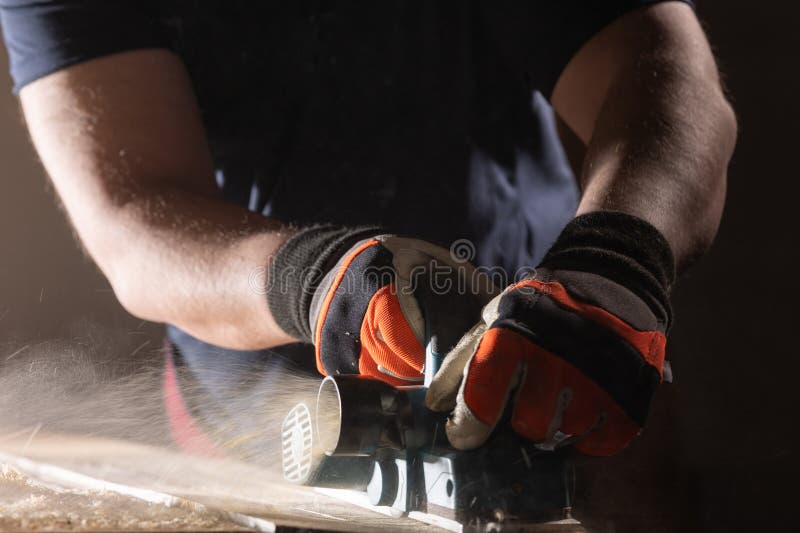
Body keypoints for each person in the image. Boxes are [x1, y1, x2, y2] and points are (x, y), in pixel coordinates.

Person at [0, 1, 736, 458]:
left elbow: (663, 79)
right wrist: (318, 278)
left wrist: (614, 262)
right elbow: (134, 214)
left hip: (558, 361)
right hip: (249, 421)